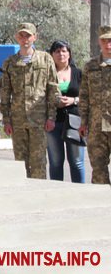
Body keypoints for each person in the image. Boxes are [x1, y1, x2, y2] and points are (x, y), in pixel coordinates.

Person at [0, 23, 60, 179]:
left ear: (35, 37)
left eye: (28, 35)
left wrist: (51, 117)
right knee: (20, 162)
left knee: (39, 160)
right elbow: (5, 93)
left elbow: (53, 89)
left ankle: (38, 195)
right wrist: (6, 120)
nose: (24, 39)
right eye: (21, 35)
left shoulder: (45, 59)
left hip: (39, 119)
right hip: (18, 120)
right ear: (16, 37)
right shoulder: (10, 63)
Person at [47, 40, 85, 182]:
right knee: (55, 162)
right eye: (57, 51)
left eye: (64, 51)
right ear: (51, 55)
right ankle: (57, 195)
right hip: (53, 122)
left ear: (69, 54)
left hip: (75, 123)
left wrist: (73, 100)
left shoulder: (78, 73)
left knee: (77, 162)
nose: (61, 54)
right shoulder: (47, 74)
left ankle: (79, 193)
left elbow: (88, 96)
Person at [78, 26, 111, 184]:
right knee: (98, 168)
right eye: (104, 40)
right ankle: (101, 202)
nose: (108, 44)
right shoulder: (90, 66)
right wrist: (83, 122)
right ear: (99, 42)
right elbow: (84, 96)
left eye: (110, 40)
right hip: (96, 126)